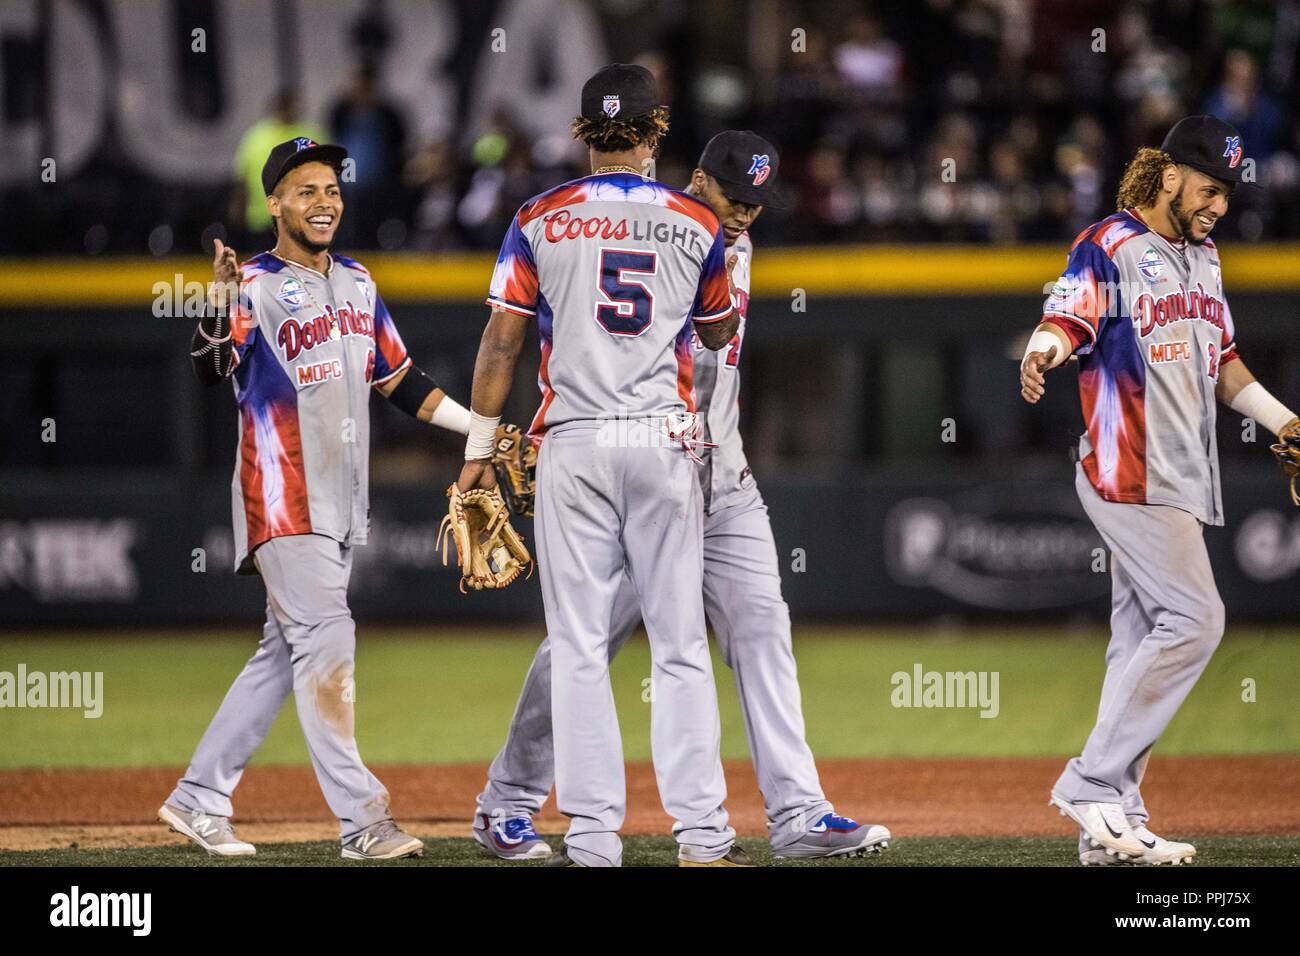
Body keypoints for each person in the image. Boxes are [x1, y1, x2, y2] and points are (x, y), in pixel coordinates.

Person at [471, 131, 892, 862]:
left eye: (758, 206)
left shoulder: (729, 243)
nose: (746, 216)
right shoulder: (670, 229)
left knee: (762, 626)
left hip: (719, 479)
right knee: (584, 644)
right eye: (735, 199)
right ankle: (507, 801)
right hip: (649, 468)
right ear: (698, 178)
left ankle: (797, 812)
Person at [453, 64, 745, 867]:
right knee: (680, 643)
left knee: (578, 644)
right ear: (656, 132)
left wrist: (479, 452)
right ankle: (702, 834)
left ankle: (590, 838)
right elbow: (719, 335)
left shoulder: (538, 215)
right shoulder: (696, 219)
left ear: (585, 134)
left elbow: (503, 340)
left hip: (574, 443)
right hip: (660, 440)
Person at [162, 137, 477, 860]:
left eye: (331, 189)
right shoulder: (253, 283)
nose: (323, 201)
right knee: (328, 636)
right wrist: (216, 297)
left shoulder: (360, 282)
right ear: (273, 204)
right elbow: (211, 369)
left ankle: (198, 796)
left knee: (285, 651)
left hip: (339, 502)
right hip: (283, 497)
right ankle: (363, 821)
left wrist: (479, 429)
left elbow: (399, 380)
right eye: (305, 190)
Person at [1020, 115, 1299, 865]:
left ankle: (1114, 821)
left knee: (1140, 639)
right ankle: (1090, 783)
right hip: (1127, 470)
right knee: (1199, 619)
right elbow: (1066, 315)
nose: (1219, 206)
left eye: (1228, 194)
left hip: (1180, 477)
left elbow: (1225, 363)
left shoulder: (1205, 260)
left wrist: (1284, 422)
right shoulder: (1109, 244)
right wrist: (1044, 351)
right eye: (1210, 189)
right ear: (1171, 176)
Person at [230, 91, 327, 245]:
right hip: (262, 217)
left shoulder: (311, 135)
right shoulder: (256, 136)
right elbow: (242, 176)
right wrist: (239, 207)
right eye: (284, 107)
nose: (287, 111)